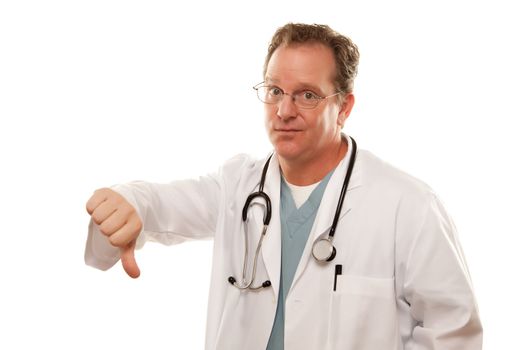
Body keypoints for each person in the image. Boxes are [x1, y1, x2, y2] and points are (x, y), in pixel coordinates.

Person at [85, 23, 483, 349]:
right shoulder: (237, 186)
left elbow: (453, 333)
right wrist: (128, 199)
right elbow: (158, 204)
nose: (284, 110)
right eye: (274, 90)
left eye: (306, 95)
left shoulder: (407, 204)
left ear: (343, 107)